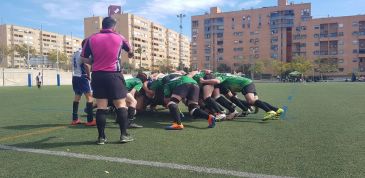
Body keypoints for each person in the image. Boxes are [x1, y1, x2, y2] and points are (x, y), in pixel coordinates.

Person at [81, 17, 134, 145]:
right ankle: (123, 135)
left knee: (101, 107)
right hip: (114, 75)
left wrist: (94, 62)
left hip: (98, 75)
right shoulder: (120, 37)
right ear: (114, 27)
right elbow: (130, 52)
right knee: (121, 105)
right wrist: (130, 54)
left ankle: (101, 137)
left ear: (102, 26)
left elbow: (83, 59)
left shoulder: (91, 38)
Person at [203, 73, 283, 121]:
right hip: (247, 83)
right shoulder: (225, 78)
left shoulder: (219, 76)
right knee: (253, 101)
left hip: (245, 84)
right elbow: (232, 95)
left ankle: (269, 111)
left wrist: (203, 81)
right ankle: (277, 110)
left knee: (251, 101)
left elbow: (216, 81)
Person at [71, 39, 95, 126]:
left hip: (75, 77)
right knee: (90, 98)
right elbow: (86, 65)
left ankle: (75, 119)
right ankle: (90, 120)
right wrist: (89, 76)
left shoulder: (75, 53)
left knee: (77, 97)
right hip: (83, 77)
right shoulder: (84, 53)